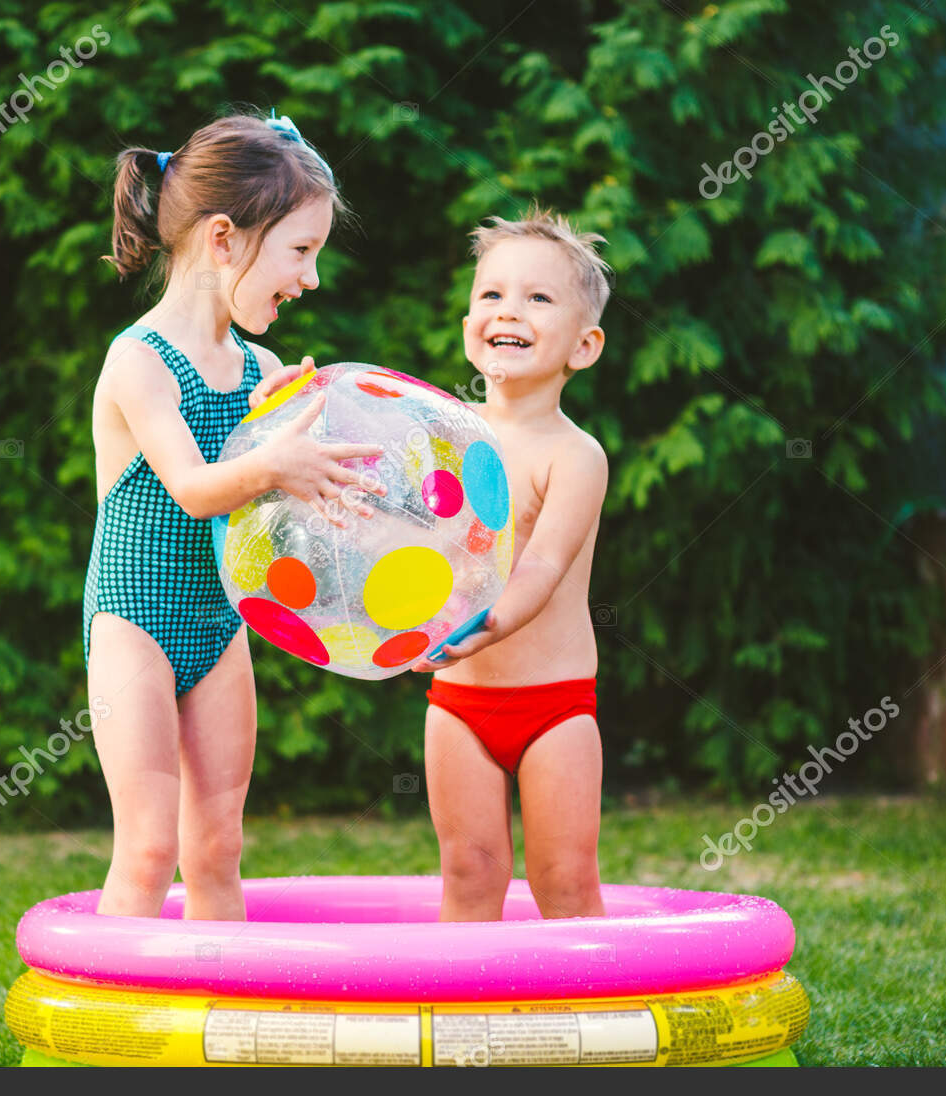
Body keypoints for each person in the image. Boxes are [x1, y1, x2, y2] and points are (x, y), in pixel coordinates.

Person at [86, 110, 385, 920]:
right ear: (224, 238)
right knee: (149, 844)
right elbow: (191, 485)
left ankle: (220, 1029)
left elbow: (268, 519)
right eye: (300, 251)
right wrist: (270, 460)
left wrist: (315, 471)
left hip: (219, 624)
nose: (311, 279)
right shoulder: (138, 360)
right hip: (134, 620)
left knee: (216, 844)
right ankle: (118, 1040)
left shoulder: (262, 367)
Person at [412, 206, 614, 922]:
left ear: (582, 347)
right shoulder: (443, 437)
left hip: (554, 703)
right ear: (469, 322)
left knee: (563, 877)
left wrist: (485, 622)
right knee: (469, 871)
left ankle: (590, 1026)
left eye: (537, 298)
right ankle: (464, 1025)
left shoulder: (575, 455)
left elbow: (542, 566)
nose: (508, 310)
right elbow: (410, 550)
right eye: (491, 294)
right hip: (460, 703)